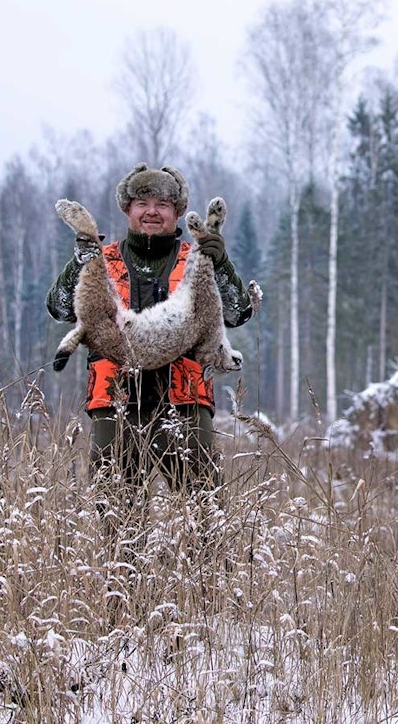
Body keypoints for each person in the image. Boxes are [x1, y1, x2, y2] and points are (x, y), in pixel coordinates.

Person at [46, 164, 255, 505]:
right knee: (117, 516)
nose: (152, 212)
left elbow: (237, 314)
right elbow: (59, 309)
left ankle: (207, 561)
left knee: (205, 514)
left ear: (178, 210)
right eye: (142, 202)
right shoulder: (103, 259)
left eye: (163, 203)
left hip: (185, 400)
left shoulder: (197, 256)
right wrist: (80, 262)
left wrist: (221, 262)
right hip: (115, 401)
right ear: (128, 208)